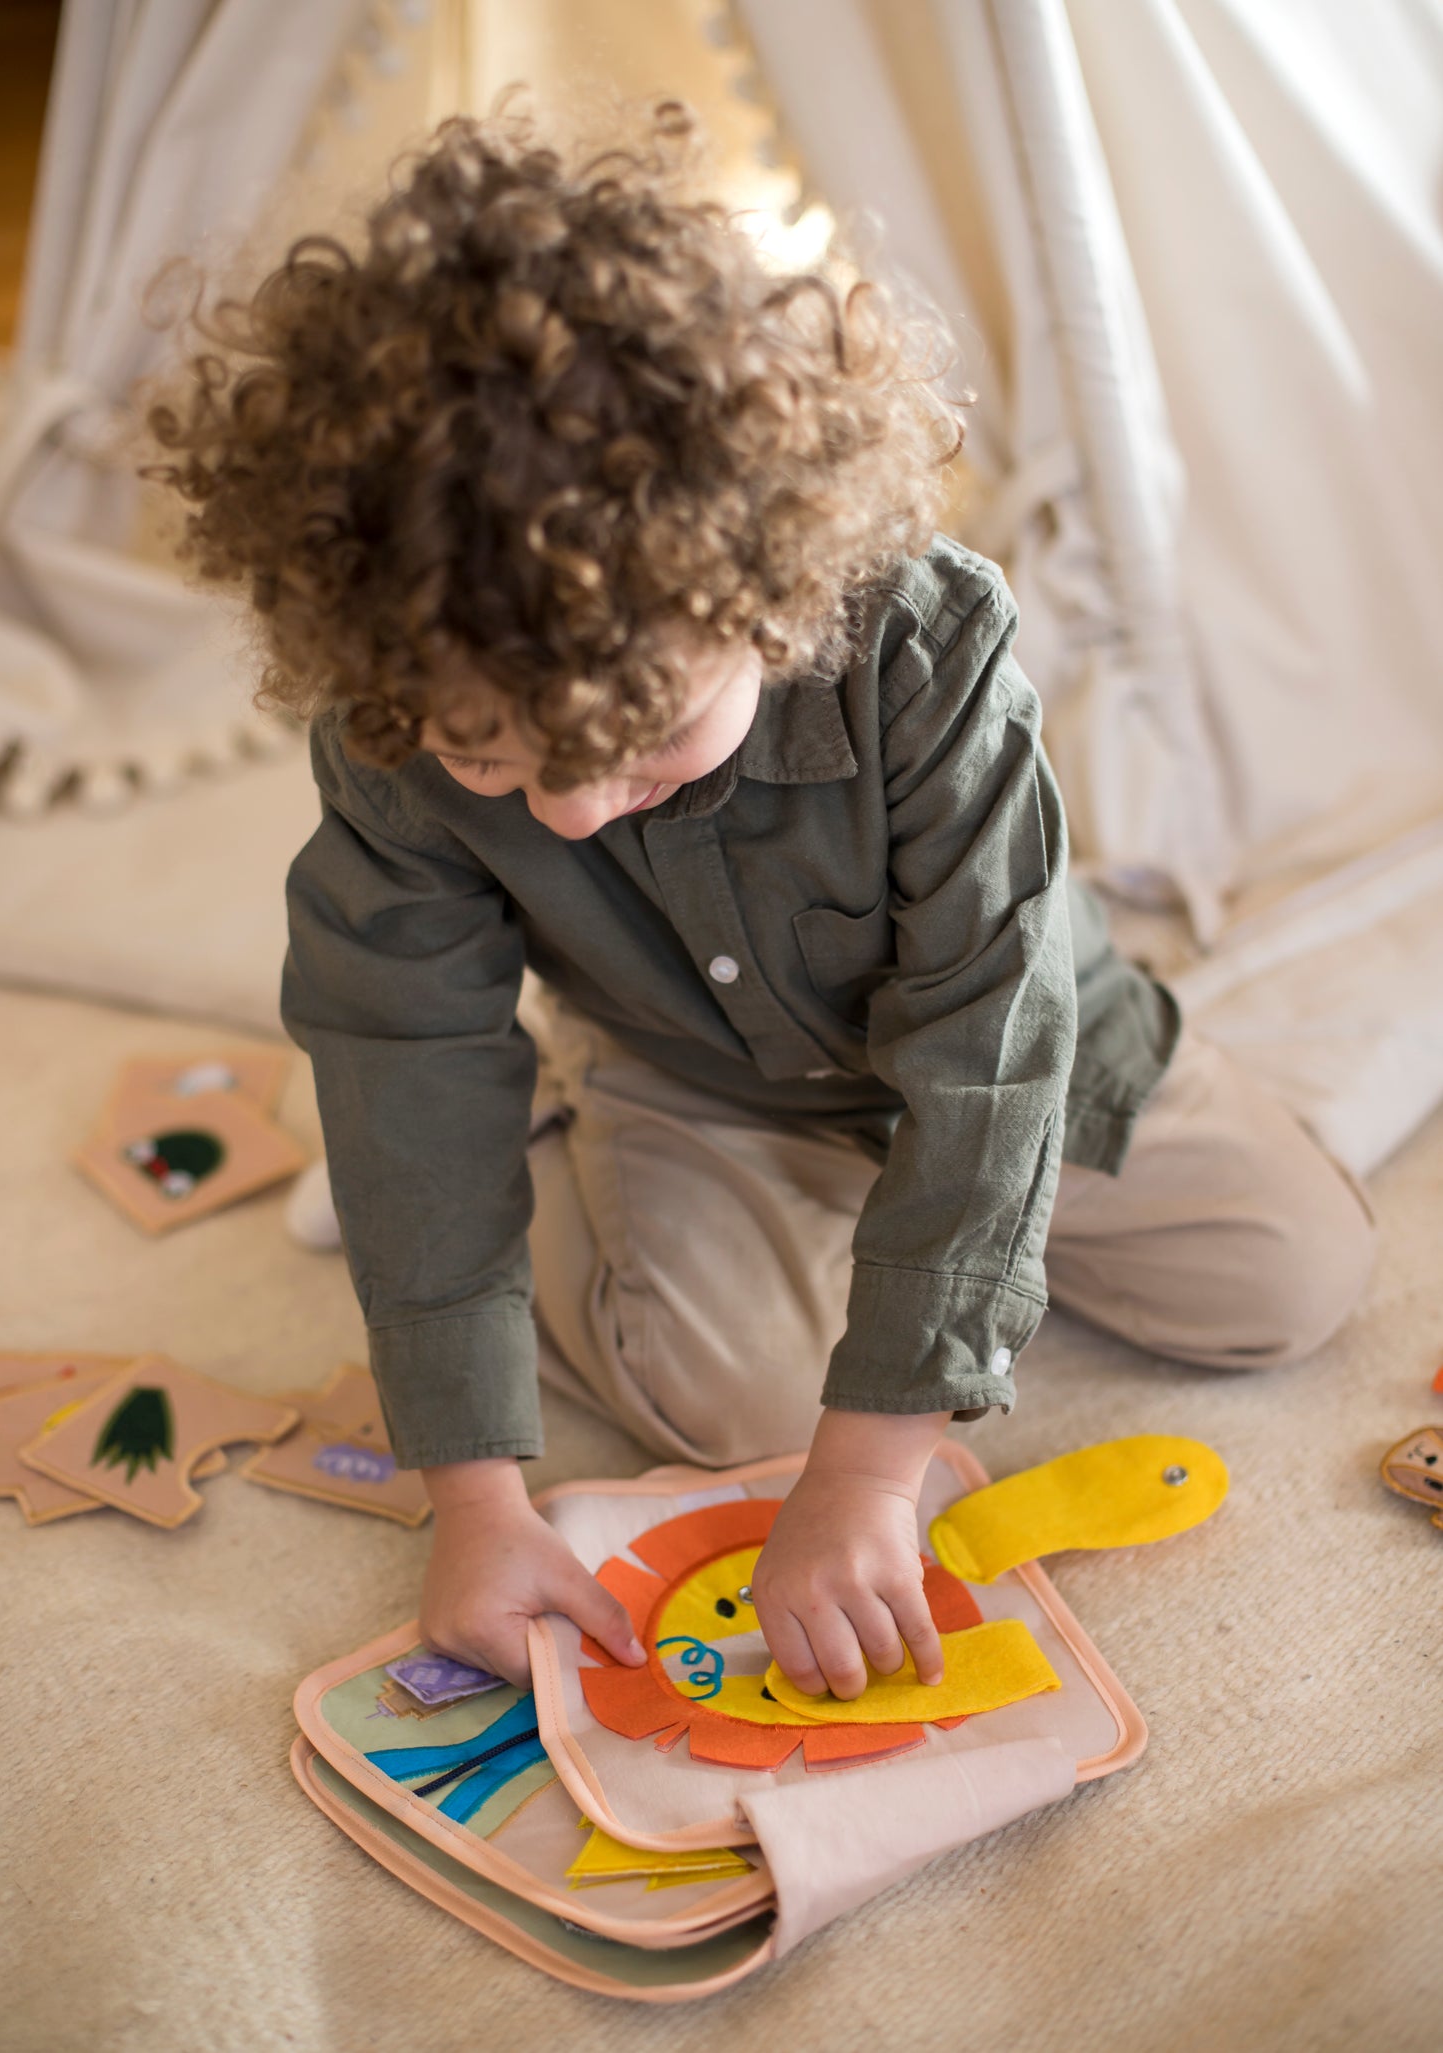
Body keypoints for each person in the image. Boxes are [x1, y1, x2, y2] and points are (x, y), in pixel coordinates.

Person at [144, 104, 1374, 1705]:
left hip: (1004, 1028)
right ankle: (582, 1135)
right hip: (687, 1064)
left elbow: (990, 1035)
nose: (573, 808)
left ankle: (904, 1254)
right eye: (491, 756)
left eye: (642, 736)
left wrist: (869, 1470)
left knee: (1293, 1282)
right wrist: (477, 1494)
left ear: (777, 592)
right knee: (732, 1410)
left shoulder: (929, 640)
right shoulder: (392, 713)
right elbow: (405, 1055)